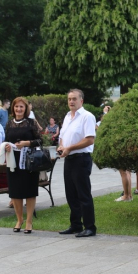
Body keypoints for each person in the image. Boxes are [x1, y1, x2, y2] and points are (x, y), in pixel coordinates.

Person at [57, 89, 97, 237]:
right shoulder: (67, 116)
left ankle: (90, 227)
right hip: (69, 159)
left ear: (82, 101)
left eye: (74, 99)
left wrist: (69, 148)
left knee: (83, 194)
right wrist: (62, 146)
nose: (71, 102)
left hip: (81, 159)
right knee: (71, 194)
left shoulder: (87, 117)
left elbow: (89, 139)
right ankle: (75, 225)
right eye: (69, 99)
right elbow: (62, 136)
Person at [4, 97, 42, 233]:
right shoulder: (9, 124)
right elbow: (6, 141)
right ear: (13, 108)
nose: (19, 109)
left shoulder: (31, 123)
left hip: (28, 160)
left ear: (26, 108)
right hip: (13, 160)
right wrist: (7, 147)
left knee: (30, 191)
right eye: (16, 107)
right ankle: (19, 219)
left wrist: (26, 143)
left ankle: (29, 221)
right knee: (15, 192)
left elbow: (40, 140)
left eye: (21, 107)